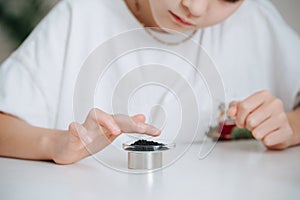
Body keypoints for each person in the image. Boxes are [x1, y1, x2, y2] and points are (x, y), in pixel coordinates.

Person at [0, 0, 299, 165]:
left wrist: (290, 125)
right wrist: (55, 143)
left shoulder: (254, 22)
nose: (194, 7)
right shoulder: (80, 15)